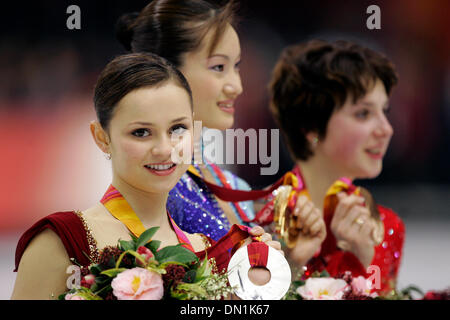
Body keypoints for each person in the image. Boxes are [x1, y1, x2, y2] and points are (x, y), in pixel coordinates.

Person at [11, 53, 280, 300]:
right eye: (141, 132)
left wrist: (260, 284)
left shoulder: (212, 252)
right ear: (101, 137)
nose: (164, 149)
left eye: (177, 128)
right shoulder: (63, 240)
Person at [268, 39, 405, 295]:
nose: (386, 129)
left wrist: (360, 261)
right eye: (363, 113)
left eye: (384, 111)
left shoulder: (387, 226)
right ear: (310, 127)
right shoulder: (260, 220)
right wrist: (291, 266)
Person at [115, 0, 258, 241]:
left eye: (236, 66)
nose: (237, 86)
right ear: (167, 70)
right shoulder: (154, 186)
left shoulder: (234, 187)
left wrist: (295, 260)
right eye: (218, 67)